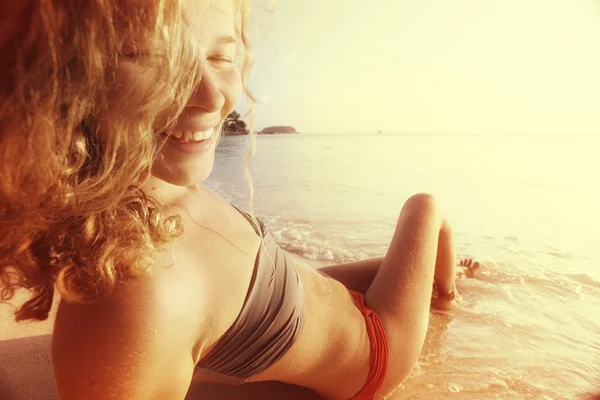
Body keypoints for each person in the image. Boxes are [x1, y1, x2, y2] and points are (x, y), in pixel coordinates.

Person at [0, 0, 478, 399]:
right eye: (148, 56)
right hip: (378, 350)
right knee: (425, 208)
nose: (213, 96)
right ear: (56, 80)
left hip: (307, 299)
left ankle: (447, 284)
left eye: (222, 57)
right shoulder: (136, 299)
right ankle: (450, 299)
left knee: (392, 266)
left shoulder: (156, 179)